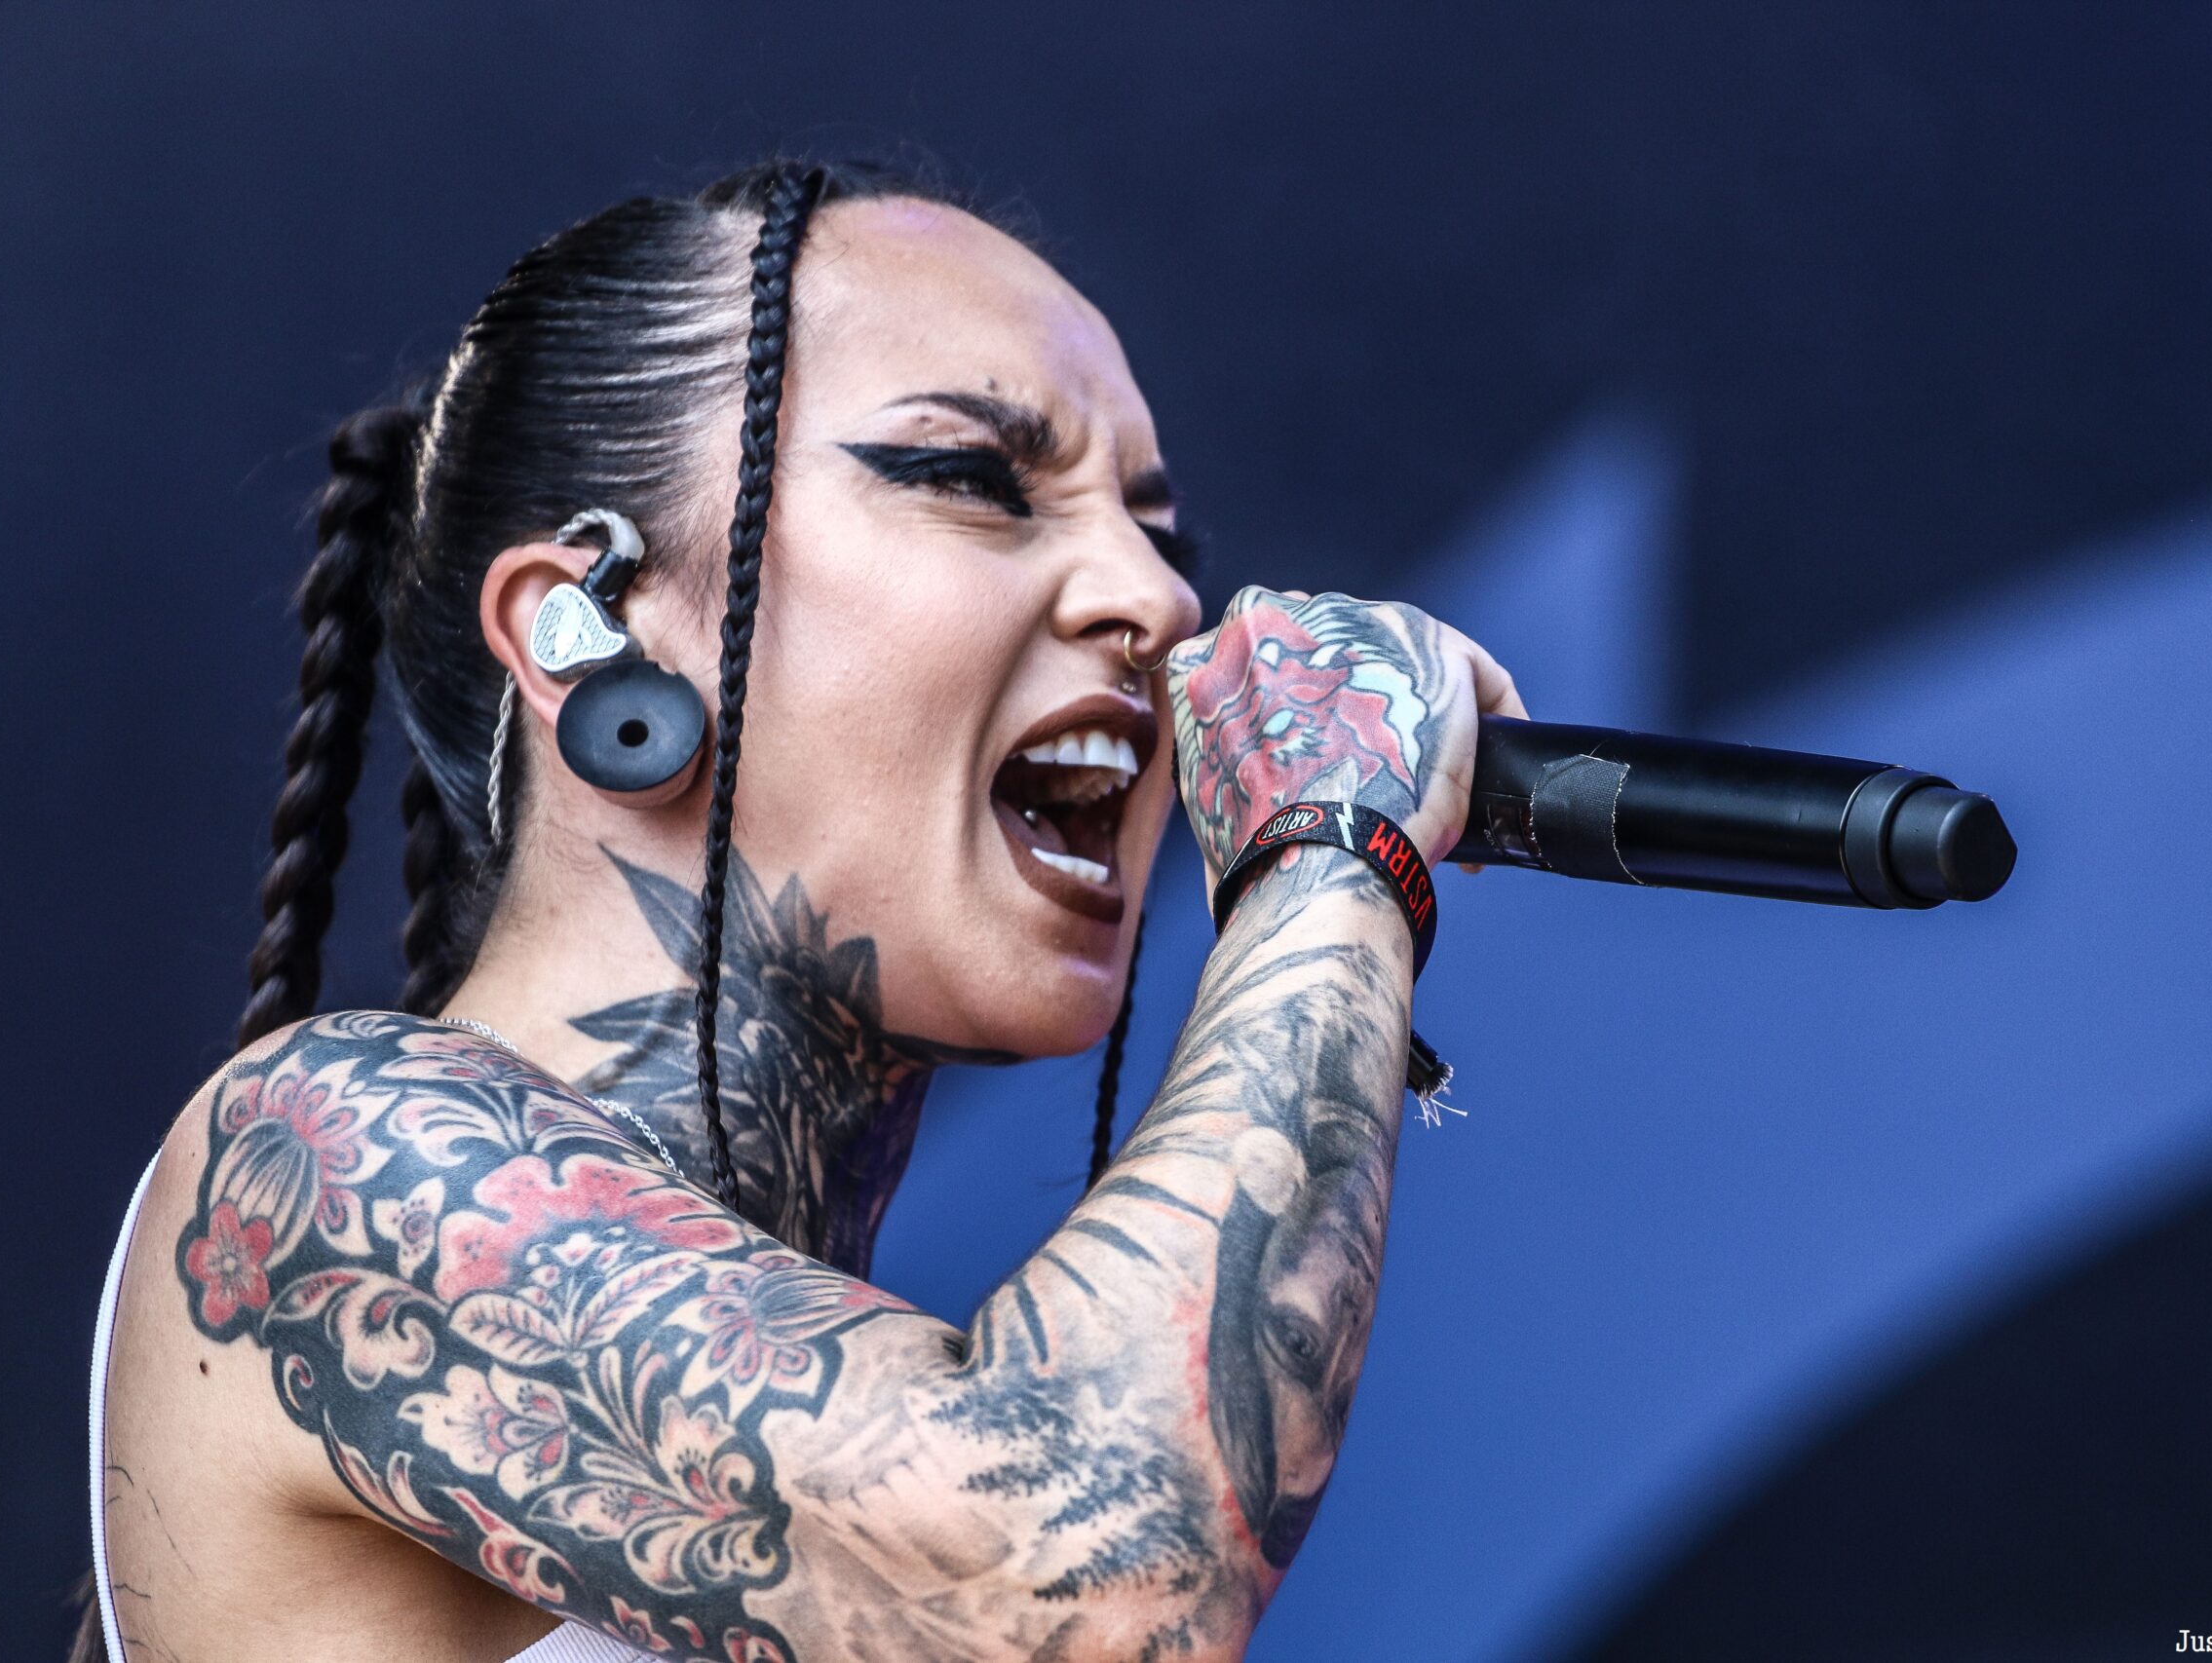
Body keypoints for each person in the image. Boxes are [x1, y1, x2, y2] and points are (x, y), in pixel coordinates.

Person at [82, 157, 1524, 1663]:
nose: (1159, 604)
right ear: (592, 630)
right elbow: (1086, 1572)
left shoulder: (857, 1410)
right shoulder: (335, 1148)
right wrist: (1334, 846)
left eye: (1168, 545)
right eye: (972, 480)